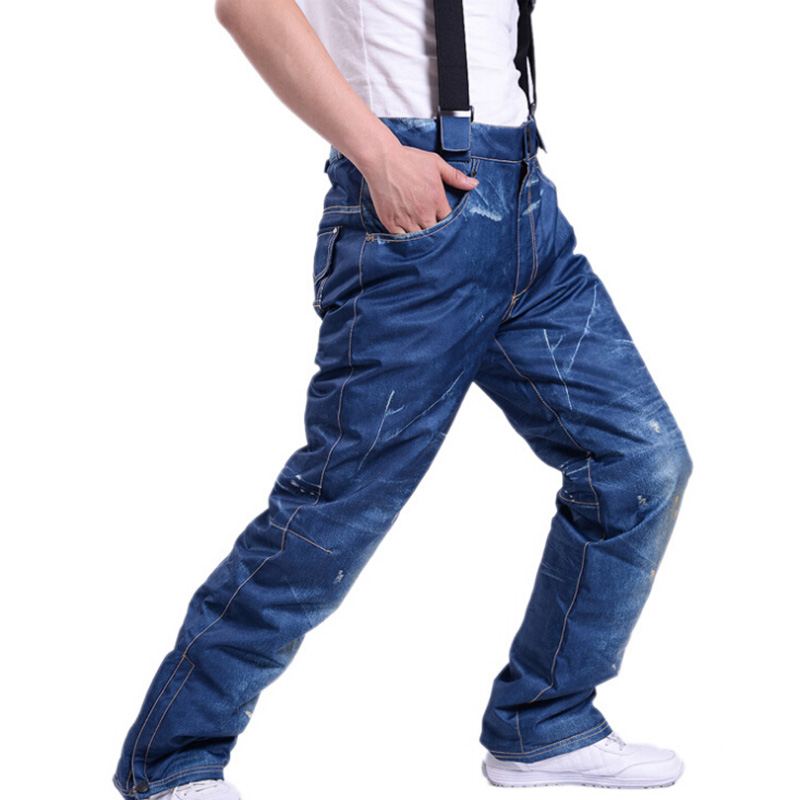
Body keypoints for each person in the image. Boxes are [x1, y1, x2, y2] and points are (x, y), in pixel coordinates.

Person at [112, 1, 693, 797]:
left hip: (525, 201)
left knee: (638, 462)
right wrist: (380, 156)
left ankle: (544, 721)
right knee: (334, 511)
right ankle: (173, 756)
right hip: (416, 215)